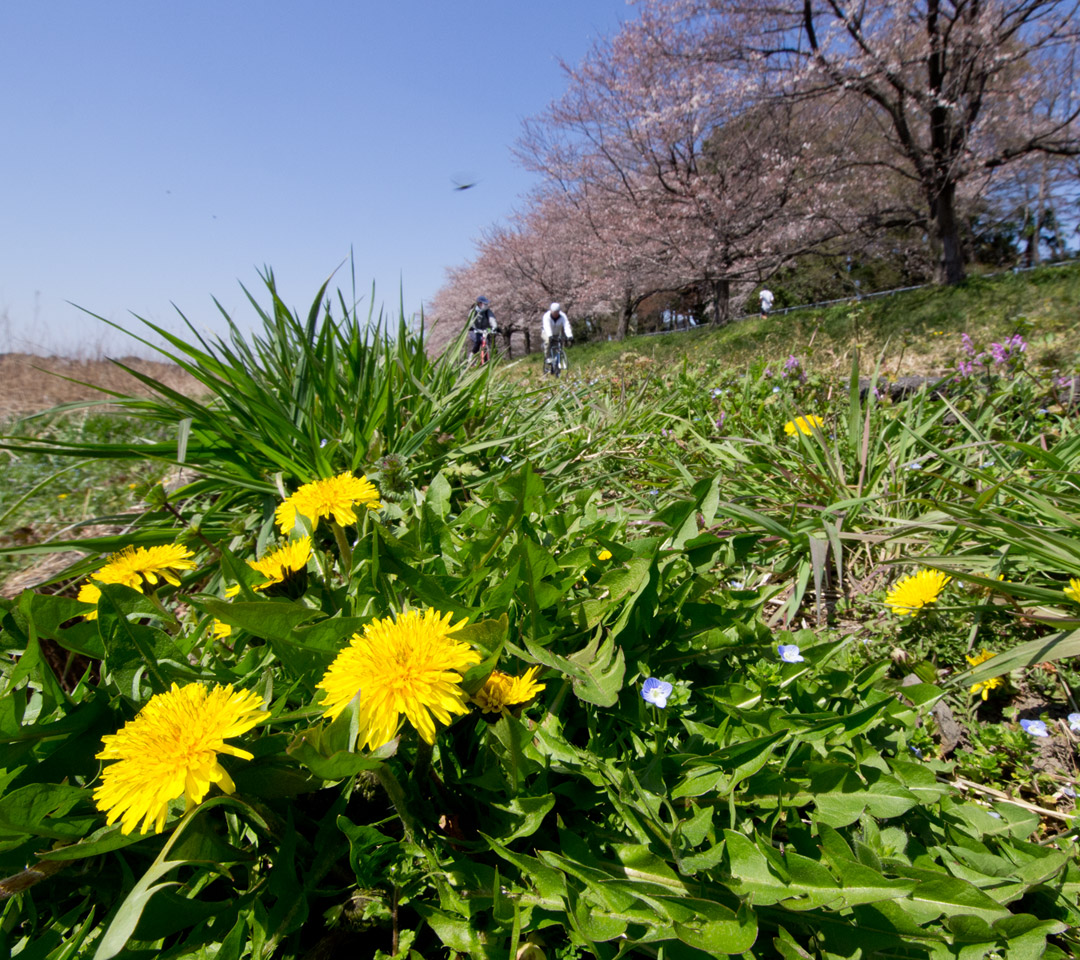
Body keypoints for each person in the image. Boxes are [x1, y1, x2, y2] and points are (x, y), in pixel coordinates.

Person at [467, 296, 498, 361]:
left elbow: (492, 319)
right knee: (478, 341)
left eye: (487, 304)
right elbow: (471, 321)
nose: (486, 305)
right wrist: (473, 328)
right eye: (485, 304)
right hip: (474, 330)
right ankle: (472, 355)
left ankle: (488, 359)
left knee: (488, 341)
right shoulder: (473, 311)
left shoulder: (487, 311)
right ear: (479, 304)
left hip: (484, 330)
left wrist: (494, 327)